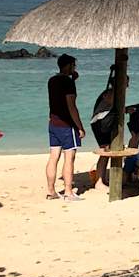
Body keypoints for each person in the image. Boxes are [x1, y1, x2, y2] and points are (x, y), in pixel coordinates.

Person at [90, 65, 139, 192]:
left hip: (104, 122)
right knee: (105, 152)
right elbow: (114, 107)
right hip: (100, 124)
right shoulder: (110, 93)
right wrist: (125, 110)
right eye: (126, 83)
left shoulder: (113, 92)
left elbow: (114, 109)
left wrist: (125, 110)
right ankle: (99, 182)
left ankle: (102, 179)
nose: (128, 86)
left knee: (107, 152)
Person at [46, 53, 84, 201]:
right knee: (69, 157)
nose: (75, 68)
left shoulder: (52, 80)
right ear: (68, 66)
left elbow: (57, 98)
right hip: (67, 125)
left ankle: (51, 191)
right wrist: (80, 127)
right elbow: (71, 106)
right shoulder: (68, 83)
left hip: (53, 122)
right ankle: (68, 191)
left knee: (53, 157)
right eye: (73, 65)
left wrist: (72, 79)